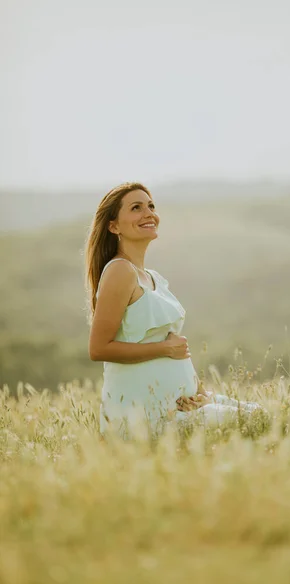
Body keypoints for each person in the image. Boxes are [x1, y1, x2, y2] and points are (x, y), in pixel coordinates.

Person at [85, 182, 261, 440]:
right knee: (255, 422)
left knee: (259, 414)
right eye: (136, 208)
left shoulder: (153, 277)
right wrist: (165, 349)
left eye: (151, 206)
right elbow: (99, 349)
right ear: (114, 226)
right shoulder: (119, 271)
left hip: (182, 404)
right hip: (146, 417)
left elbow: (174, 348)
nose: (149, 213)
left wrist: (201, 394)